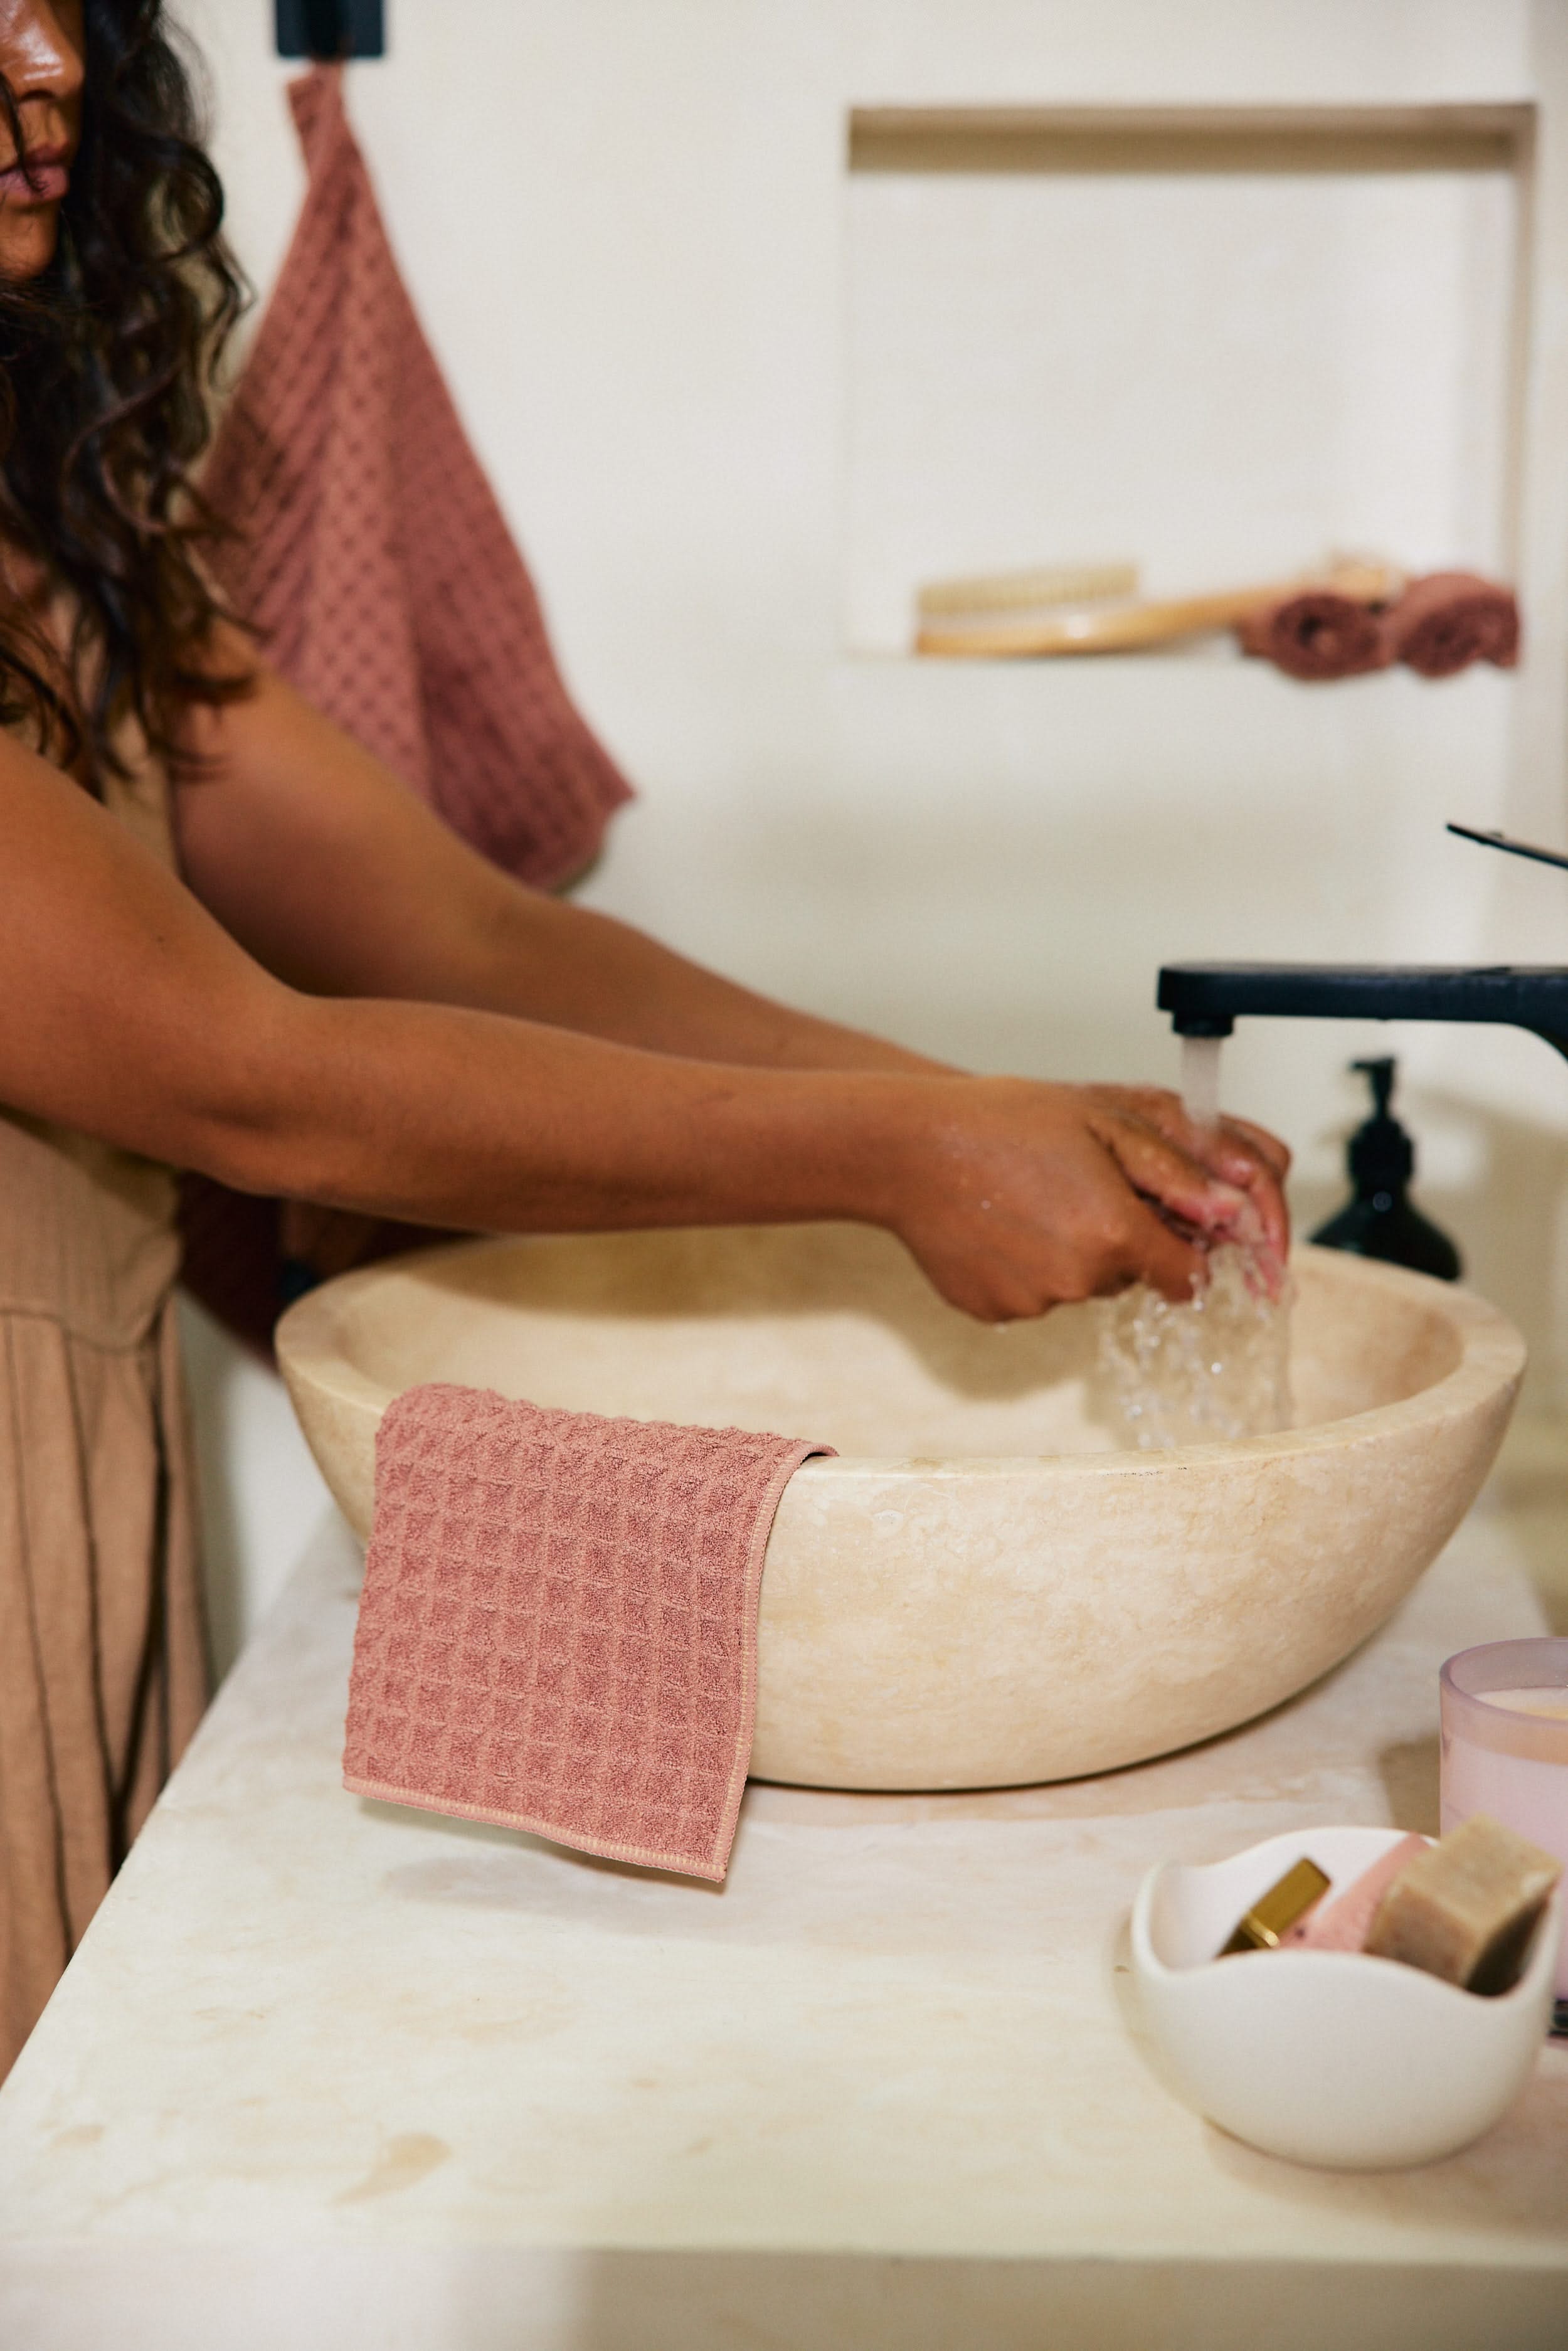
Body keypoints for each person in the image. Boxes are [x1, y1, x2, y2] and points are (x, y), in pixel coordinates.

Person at [0, 0, 1290, 2075]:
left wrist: (973, 1108)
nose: (46, 64)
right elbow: (252, 1073)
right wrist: (887, 1166)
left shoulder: (62, 527)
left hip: (70, 1472)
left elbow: (463, 933)